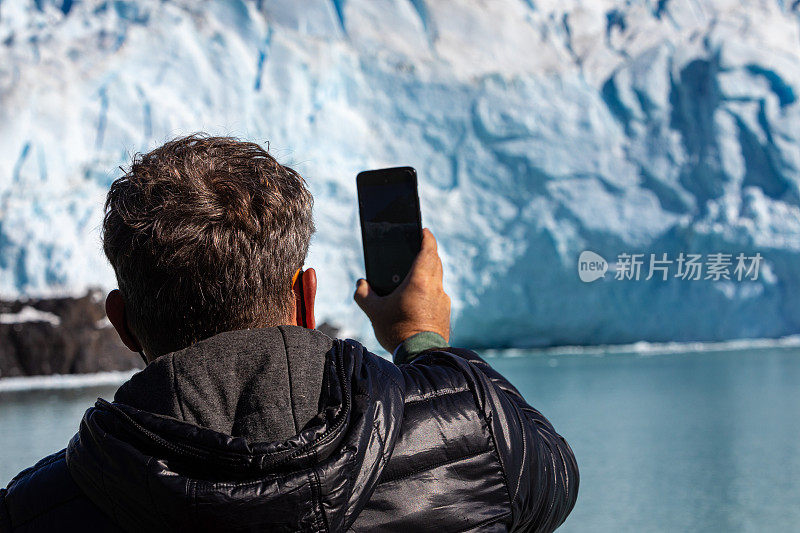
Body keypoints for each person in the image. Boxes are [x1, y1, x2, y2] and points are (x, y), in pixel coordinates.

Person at [0, 135, 578, 532]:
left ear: (122, 323)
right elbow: (551, 478)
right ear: (305, 297)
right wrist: (421, 339)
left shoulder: (33, 513)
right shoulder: (475, 440)